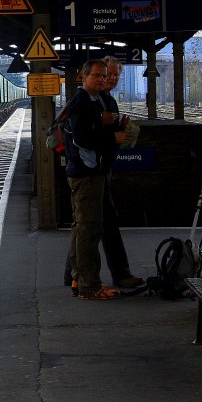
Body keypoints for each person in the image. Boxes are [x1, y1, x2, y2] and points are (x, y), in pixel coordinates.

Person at [62, 57, 144, 291]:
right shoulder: (85, 102)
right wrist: (110, 133)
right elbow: (82, 137)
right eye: (101, 75)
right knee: (90, 227)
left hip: (98, 169)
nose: (108, 79)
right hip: (88, 171)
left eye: (109, 75)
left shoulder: (101, 101)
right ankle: (90, 283)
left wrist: (118, 128)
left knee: (87, 225)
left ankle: (77, 276)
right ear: (85, 76)